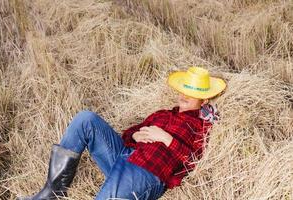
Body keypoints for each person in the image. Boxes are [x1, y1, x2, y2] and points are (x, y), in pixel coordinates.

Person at [17, 66, 226, 200]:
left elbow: (193, 161)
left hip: (147, 173)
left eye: (193, 93)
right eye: (184, 89)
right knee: (85, 119)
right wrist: (134, 136)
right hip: (125, 155)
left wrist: (166, 138)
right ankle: (51, 192)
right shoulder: (162, 114)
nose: (184, 95)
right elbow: (129, 133)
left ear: (204, 100)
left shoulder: (199, 126)